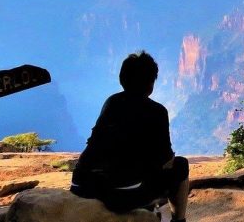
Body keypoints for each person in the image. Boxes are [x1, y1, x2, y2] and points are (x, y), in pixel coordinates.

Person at [71, 51, 189, 222]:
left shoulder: (111, 103)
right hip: (120, 194)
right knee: (180, 165)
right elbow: (166, 159)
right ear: (151, 84)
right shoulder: (157, 111)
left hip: (81, 185)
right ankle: (179, 220)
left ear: (122, 79)